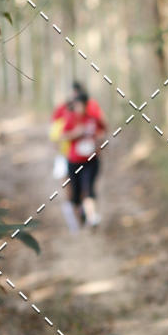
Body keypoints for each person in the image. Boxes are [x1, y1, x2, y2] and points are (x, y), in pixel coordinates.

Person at [59, 85, 107, 228]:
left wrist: (99, 141)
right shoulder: (70, 119)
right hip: (74, 161)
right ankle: (81, 215)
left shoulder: (93, 119)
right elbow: (62, 136)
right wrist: (76, 133)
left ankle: (92, 218)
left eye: (82, 105)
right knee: (76, 194)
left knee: (88, 188)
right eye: (77, 105)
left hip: (91, 161)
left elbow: (103, 131)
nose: (80, 108)